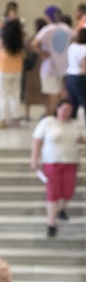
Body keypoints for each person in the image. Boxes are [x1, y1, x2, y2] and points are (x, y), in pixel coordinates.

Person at [31, 99, 86, 237]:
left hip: (71, 162)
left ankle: (60, 210)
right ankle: (51, 223)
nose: (66, 113)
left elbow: (80, 138)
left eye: (69, 110)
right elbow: (37, 141)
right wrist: (34, 159)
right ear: (58, 109)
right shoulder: (47, 122)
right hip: (52, 162)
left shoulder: (74, 125)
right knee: (53, 192)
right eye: (64, 109)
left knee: (69, 191)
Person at [33, 6, 71, 115]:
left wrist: (42, 53)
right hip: (63, 66)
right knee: (61, 93)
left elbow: (34, 44)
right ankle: (60, 114)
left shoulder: (47, 29)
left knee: (52, 95)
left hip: (49, 67)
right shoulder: (66, 28)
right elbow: (75, 38)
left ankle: (51, 116)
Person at [0, 17, 25, 129]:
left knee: (3, 95)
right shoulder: (20, 41)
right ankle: (16, 118)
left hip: (4, 70)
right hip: (17, 70)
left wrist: (0, 26)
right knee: (15, 94)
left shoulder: (3, 42)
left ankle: (2, 119)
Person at [22, 17, 48, 122]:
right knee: (45, 92)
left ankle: (27, 114)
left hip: (31, 70)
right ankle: (47, 112)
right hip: (44, 68)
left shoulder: (30, 39)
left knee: (29, 93)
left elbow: (24, 50)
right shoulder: (47, 40)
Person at [64, 26, 86, 120]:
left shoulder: (72, 46)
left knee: (73, 102)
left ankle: (71, 120)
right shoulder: (84, 49)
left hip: (69, 76)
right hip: (80, 77)